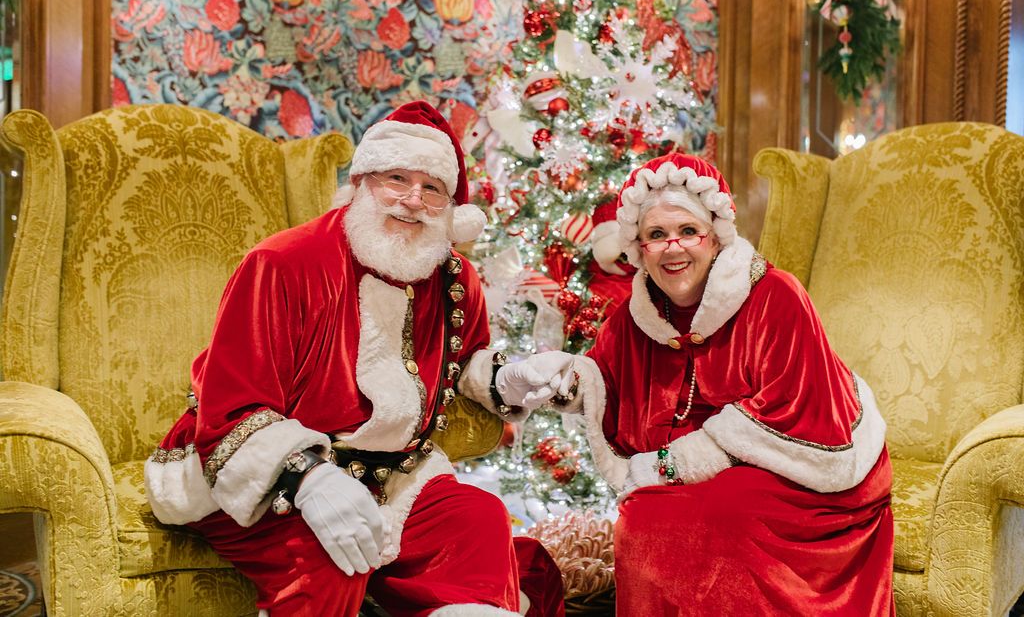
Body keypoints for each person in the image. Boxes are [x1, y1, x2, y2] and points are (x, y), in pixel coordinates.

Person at [144, 101, 565, 617]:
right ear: (362, 181)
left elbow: (462, 358)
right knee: (330, 553)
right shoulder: (282, 263)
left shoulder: (454, 279)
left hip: (391, 473)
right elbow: (230, 407)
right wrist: (310, 479)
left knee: (479, 517)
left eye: (432, 188)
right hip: (260, 467)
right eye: (396, 178)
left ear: (450, 207)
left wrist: (505, 378)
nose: (412, 201)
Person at [496, 153, 894, 615]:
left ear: (714, 236)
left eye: (688, 231)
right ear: (639, 247)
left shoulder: (776, 296)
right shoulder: (635, 315)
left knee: (721, 516)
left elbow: (802, 414)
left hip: (802, 468)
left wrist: (669, 465)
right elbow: (606, 379)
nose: (674, 248)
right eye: (656, 235)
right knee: (645, 520)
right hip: (697, 475)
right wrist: (560, 377)